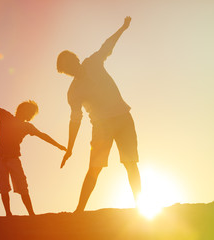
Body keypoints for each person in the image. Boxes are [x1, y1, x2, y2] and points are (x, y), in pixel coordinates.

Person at [57, 16, 141, 213]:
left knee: (131, 163)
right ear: (65, 71)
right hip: (102, 126)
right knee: (94, 169)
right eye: (66, 68)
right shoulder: (73, 92)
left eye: (71, 62)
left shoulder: (93, 62)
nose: (70, 68)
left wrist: (123, 27)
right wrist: (69, 148)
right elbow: (75, 121)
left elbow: (108, 45)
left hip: (123, 117)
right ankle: (79, 210)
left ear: (76, 59)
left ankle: (140, 206)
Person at [0, 85, 66, 216]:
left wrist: (58, 145)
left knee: (22, 186)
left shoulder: (27, 126)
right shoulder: (5, 116)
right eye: (27, 111)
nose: (28, 114)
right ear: (21, 110)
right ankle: (8, 213)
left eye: (30, 113)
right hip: (0, 157)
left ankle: (31, 214)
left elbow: (42, 135)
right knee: (3, 186)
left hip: (14, 159)